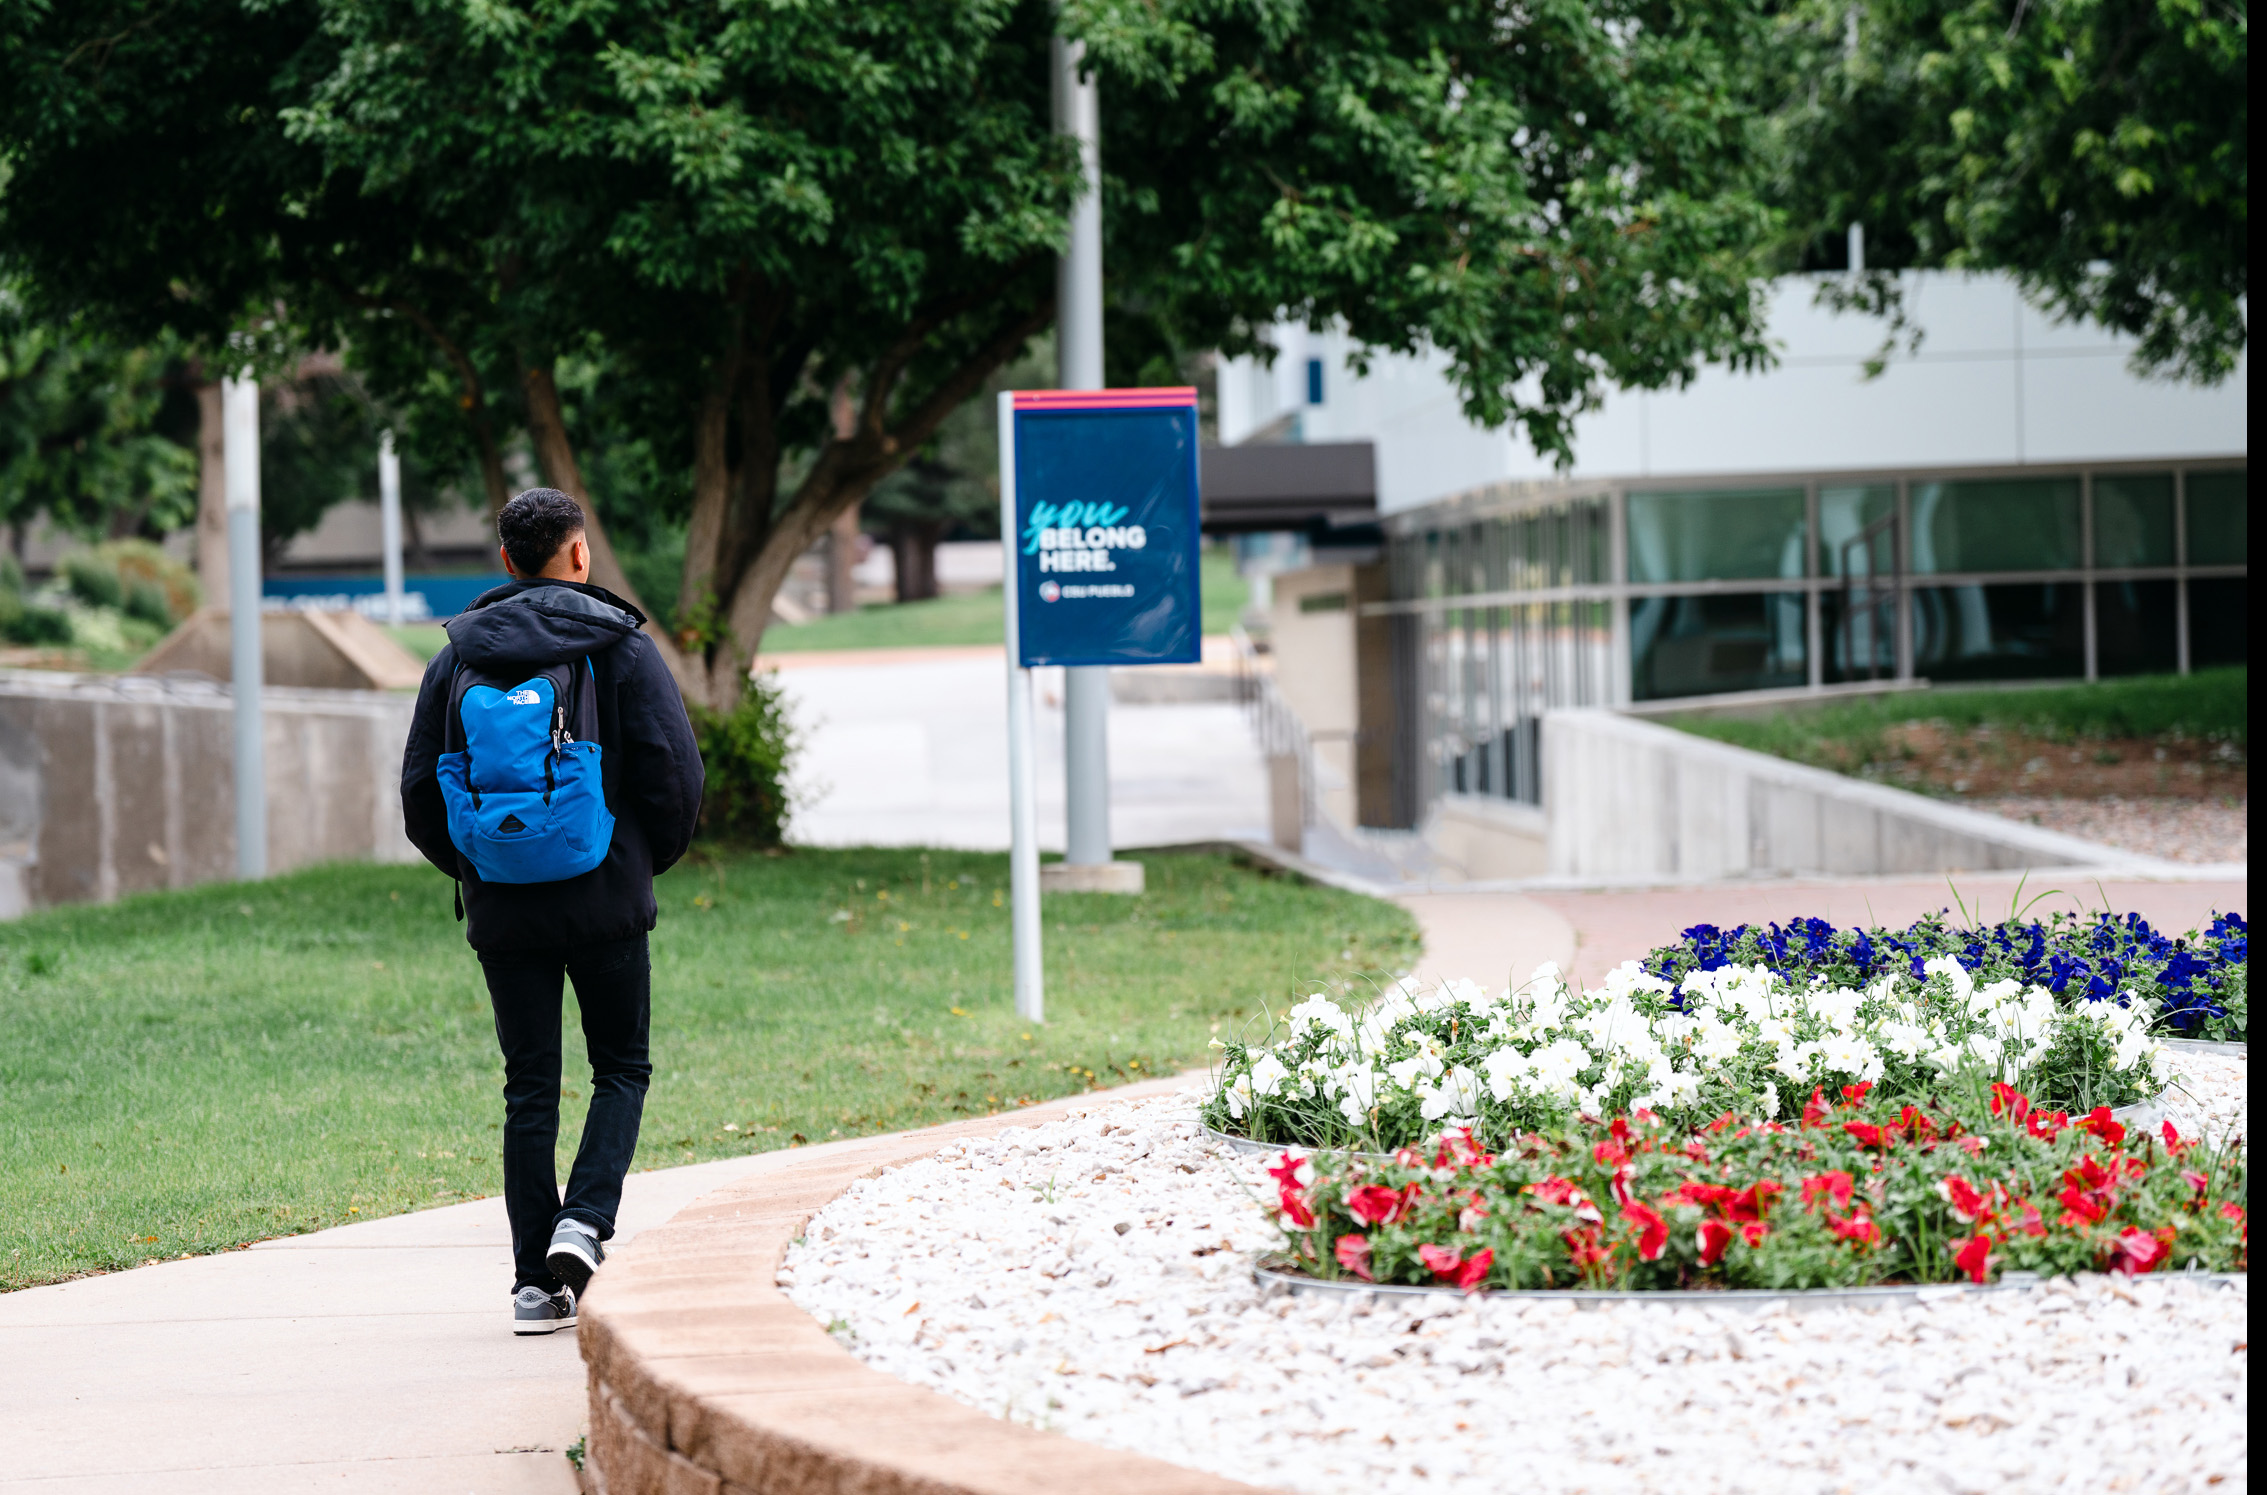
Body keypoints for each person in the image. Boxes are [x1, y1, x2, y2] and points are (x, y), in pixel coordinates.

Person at [401, 488, 703, 1335]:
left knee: (529, 1085)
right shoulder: (619, 645)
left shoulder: (455, 656)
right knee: (621, 1068)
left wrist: (482, 866)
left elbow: (420, 794)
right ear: (579, 553)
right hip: (606, 896)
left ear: (506, 559)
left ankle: (535, 1284)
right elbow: (676, 775)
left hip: (504, 908)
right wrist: (637, 861)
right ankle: (584, 1220)